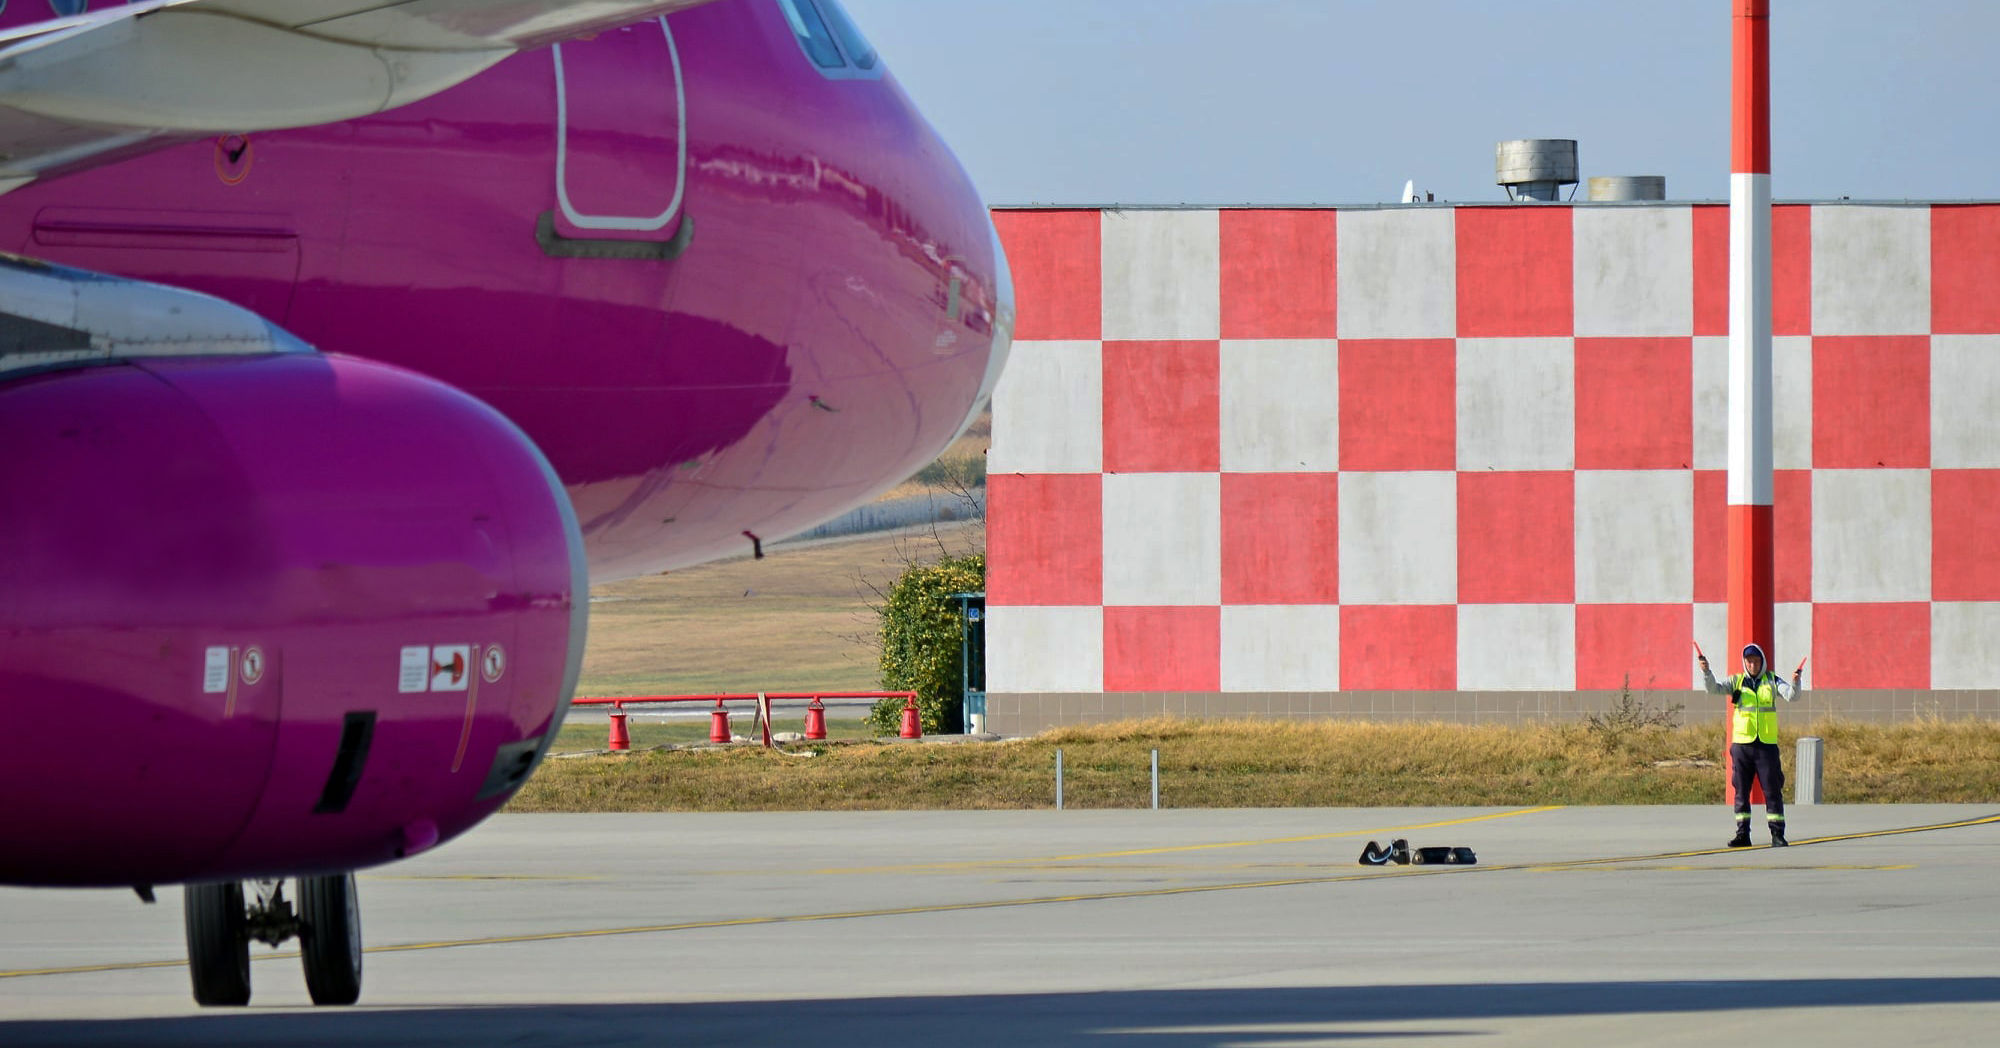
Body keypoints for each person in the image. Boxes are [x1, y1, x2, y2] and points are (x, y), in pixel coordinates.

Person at [1700, 643, 1802, 847]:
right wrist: (1706, 672)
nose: (1753, 664)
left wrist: (1795, 682)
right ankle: (1742, 834)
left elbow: (1792, 696)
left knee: (1772, 791)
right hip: (1742, 745)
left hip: (1765, 745)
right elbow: (1713, 689)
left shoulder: (1772, 680)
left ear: (1762, 662)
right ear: (1744, 662)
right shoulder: (1736, 681)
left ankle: (1777, 834)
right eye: (1749, 661)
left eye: (1756, 661)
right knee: (1741, 791)